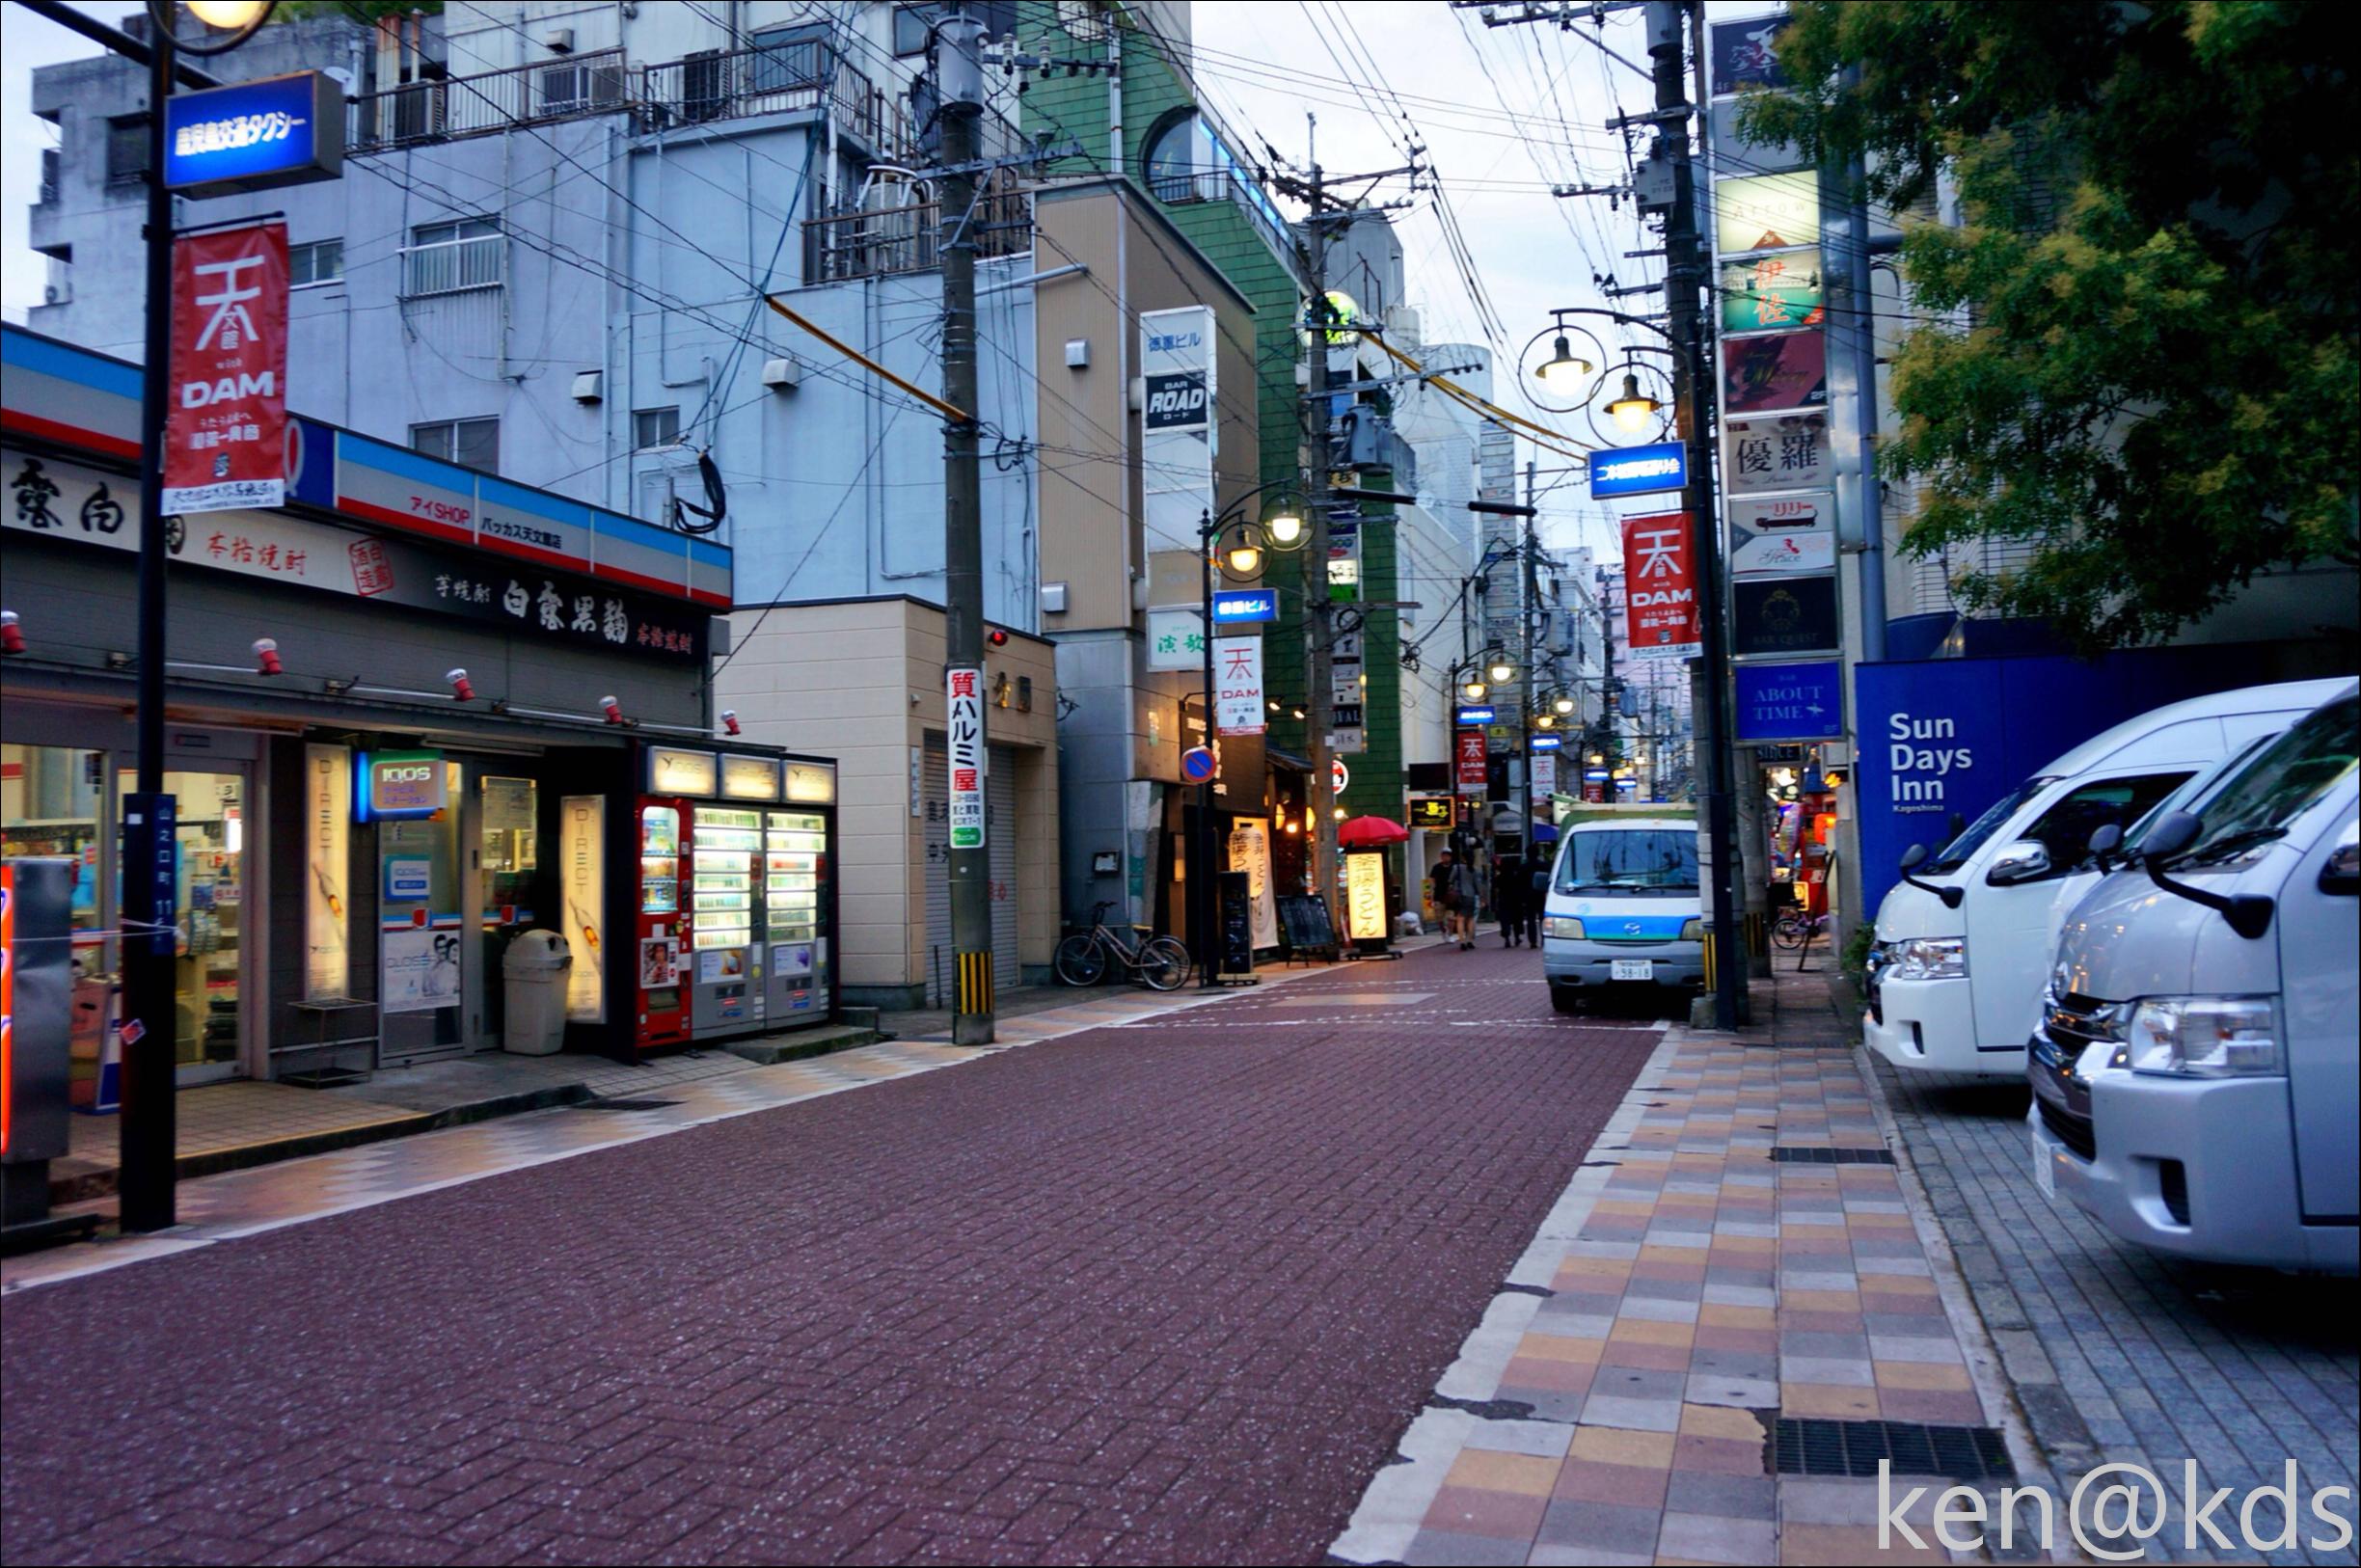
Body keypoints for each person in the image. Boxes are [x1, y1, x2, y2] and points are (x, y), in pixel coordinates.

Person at [1431, 848, 1480, 949]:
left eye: (1447, 855)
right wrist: (1481, 896)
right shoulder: (1473, 869)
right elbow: (1477, 885)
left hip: (1457, 896)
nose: (1445, 857)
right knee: (1470, 919)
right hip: (1469, 896)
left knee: (1459, 919)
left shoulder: (1457, 867)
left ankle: (1461, 940)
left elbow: (1450, 880)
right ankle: (1469, 940)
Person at [1496, 851, 1527, 947]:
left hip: (1504, 899)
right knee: (1517, 918)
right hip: (1516, 899)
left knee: (1505, 919)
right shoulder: (1517, 876)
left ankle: (1507, 938)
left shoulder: (1499, 877)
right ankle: (1517, 937)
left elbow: (1495, 888)